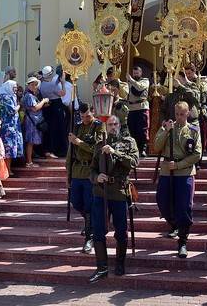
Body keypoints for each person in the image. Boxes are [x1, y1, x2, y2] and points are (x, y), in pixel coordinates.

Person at [88, 115, 138, 283]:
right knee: (98, 230)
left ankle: (120, 263)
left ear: (120, 125)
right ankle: (101, 267)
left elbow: (134, 162)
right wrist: (97, 177)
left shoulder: (129, 142)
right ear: (106, 126)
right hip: (101, 192)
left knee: (121, 230)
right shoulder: (99, 144)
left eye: (115, 124)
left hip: (119, 191)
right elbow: (92, 169)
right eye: (110, 124)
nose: (113, 127)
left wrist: (114, 152)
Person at [154, 101, 201, 258]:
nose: (179, 117)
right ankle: (174, 224)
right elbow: (156, 147)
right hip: (167, 171)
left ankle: (182, 241)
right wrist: (166, 131)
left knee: (184, 206)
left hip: (184, 172)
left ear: (187, 114)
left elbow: (197, 154)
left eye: (182, 114)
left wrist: (179, 165)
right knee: (162, 201)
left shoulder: (193, 131)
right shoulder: (166, 127)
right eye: (176, 114)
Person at [66, 103, 103, 253]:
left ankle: (89, 237)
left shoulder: (99, 127)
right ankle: (91, 222)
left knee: (89, 205)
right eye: (82, 117)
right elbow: (70, 152)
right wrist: (68, 173)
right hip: (76, 170)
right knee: (76, 202)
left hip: (90, 171)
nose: (85, 119)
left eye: (87, 116)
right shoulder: (77, 127)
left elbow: (97, 149)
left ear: (93, 113)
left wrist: (79, 142)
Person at [39, 66, 67, 158]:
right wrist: (63, 83)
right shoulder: (53, 84)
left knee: (49, 129)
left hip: (47, 106)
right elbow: (63, 93)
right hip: (56, 105)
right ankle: (59, 150)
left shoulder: (41, 84)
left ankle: (48, 149)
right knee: (59, 128)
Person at [0, 80, 24, 172]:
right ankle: (7, 170)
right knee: (8, 147)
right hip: (8, 126)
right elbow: (12, 111)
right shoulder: (6, 97)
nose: (15, 89)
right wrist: (19, 105)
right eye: (14, 87)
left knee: (11, 148)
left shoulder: (11, 96)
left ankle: (8, 169)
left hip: (12, 126)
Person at [23, 77, 49, 167]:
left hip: (33, 120)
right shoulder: (29, 96)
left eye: (35, 84)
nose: (34, 86)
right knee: (30, 142)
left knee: (31, 142)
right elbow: (35, 108)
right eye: (32, 84)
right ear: (28, 85)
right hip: (32, 121)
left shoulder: (30, 95)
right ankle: (29, 162)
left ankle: (30, 160)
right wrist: (43, 101)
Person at [127, 66, 151, 157]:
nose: (135, 75)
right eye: (134, 73)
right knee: (132, 130)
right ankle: (134, 149)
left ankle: (143, 149)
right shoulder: (130, 82)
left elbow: (140, 87)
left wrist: (131, 80)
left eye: (137, 73)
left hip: (142, 107)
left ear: (141, 73)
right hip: (132, 108)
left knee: (142, 129)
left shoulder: (145, 81)